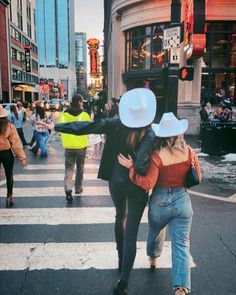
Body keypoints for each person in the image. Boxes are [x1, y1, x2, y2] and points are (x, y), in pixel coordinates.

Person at [38, 88, 164, 295]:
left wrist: (56, 125)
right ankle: (123, 281)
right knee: (131, 232)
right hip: (137, 186)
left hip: (116, 180)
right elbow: (141, 167)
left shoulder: (116, 123)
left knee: (119, 217)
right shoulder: (150, 133)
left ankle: (120, 257)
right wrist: (133, 163)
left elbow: (87, 126)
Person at [118, 112, 202, 295]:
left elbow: (148, 183)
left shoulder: (157, 156)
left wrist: (131, 168)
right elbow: (199, 177)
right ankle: (181, 288)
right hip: (182, 202)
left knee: (156, 232)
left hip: (159, 202)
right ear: (180, 133)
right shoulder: (189, 152)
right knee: (181, 244)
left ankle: (153, 258)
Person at [58, 94, 90, 202]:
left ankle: (68, 188)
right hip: (81, 146)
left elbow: (60, 128)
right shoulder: (84, 115)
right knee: (80, 169)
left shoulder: (64, 114)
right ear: (80, 102)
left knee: (69, 169)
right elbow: (89, 128)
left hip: (68, 146)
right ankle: (78, 188)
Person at [0, 106, 26, 207]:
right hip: (6, 153)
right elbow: (16, 144)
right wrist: (22, 157)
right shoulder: (9, 126)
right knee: (9, 175)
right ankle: (9, 197)